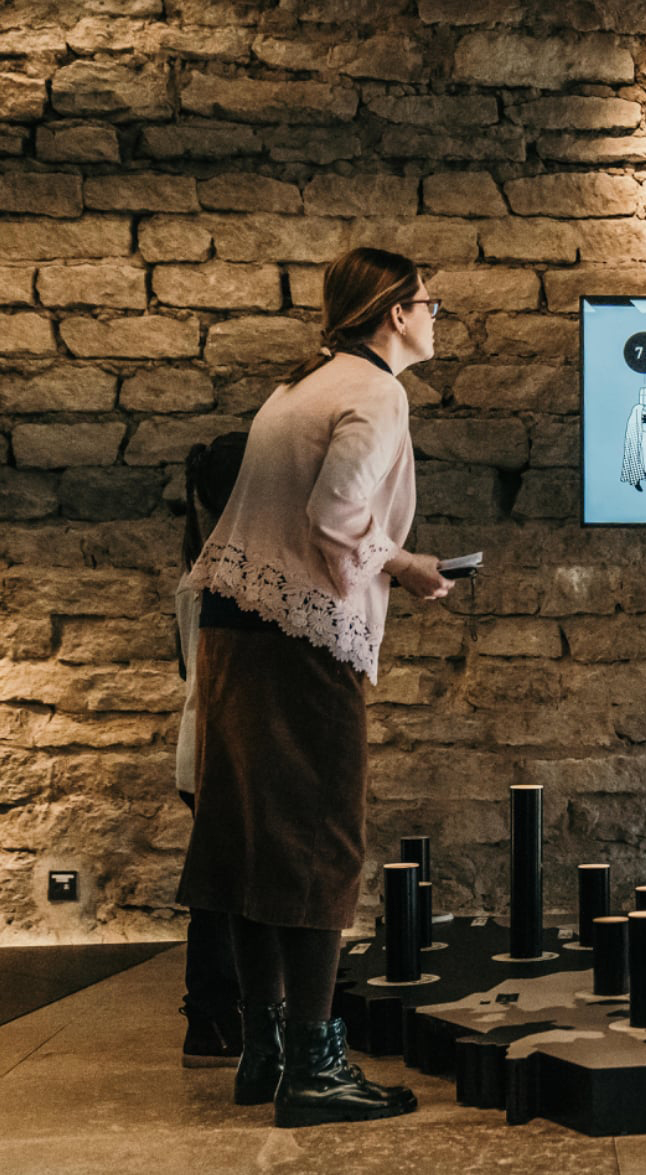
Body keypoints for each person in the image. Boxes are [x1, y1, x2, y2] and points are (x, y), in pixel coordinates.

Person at [177, 247, 456, 1127]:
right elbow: (336, 518)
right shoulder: (375, 390)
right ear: (395, 312)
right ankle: (315, 1066)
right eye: (430, 303)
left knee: (249, 841)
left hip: (233, 631)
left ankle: (264, 1049)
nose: (436, 317)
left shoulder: (300, 384)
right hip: (299, 639)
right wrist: (408, 564)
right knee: (319, 839)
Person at [173, 432, 248, 1068]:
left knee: (220, 888)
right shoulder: (231, 576)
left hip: (199, 748)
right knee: (222, 892)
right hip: (221, 747)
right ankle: (213, 1018)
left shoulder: (197, 570)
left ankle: (218, 1016)